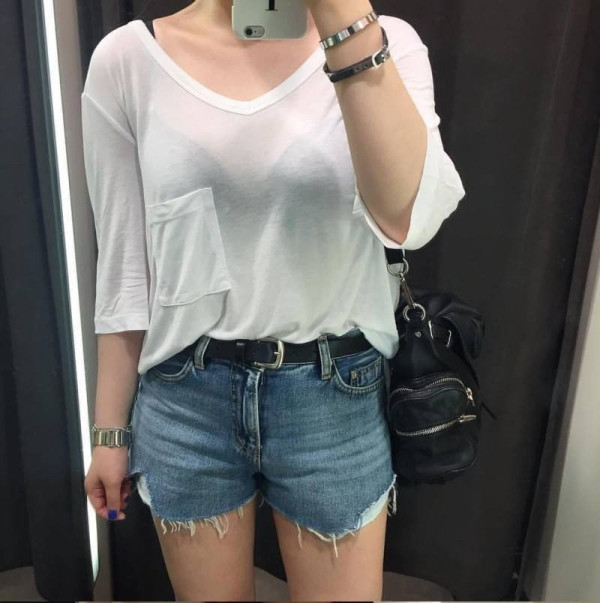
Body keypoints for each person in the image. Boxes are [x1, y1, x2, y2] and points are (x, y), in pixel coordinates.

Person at [81, 0, 466, 599]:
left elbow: (408, 219)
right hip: (186, 399)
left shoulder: (387, 43)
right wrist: (109, 433)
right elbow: (126, 269)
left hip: (333, 396)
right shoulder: (128, 60)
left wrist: (344, 21)